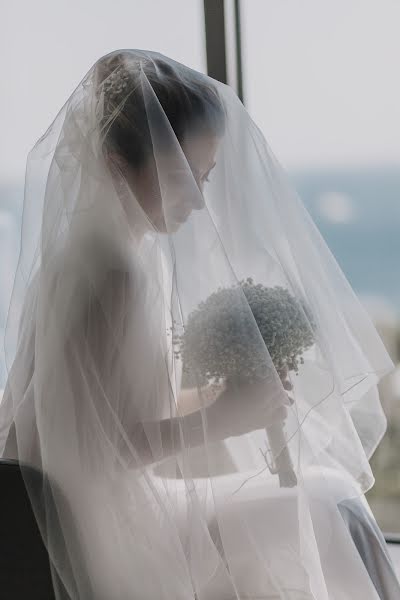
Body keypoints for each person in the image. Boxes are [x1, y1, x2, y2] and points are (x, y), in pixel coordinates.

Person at [0, 48, 398, 599]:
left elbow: (104, 410)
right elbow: (97, 450)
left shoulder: (106, 253)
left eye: (204, 177)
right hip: (106, 534)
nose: (195, 198)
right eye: (179, 175)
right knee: (332, 501)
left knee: (327, 501)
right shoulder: (113, 273)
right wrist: (228, 418)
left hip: (101, 511)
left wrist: (216, 395)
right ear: (117, 163)